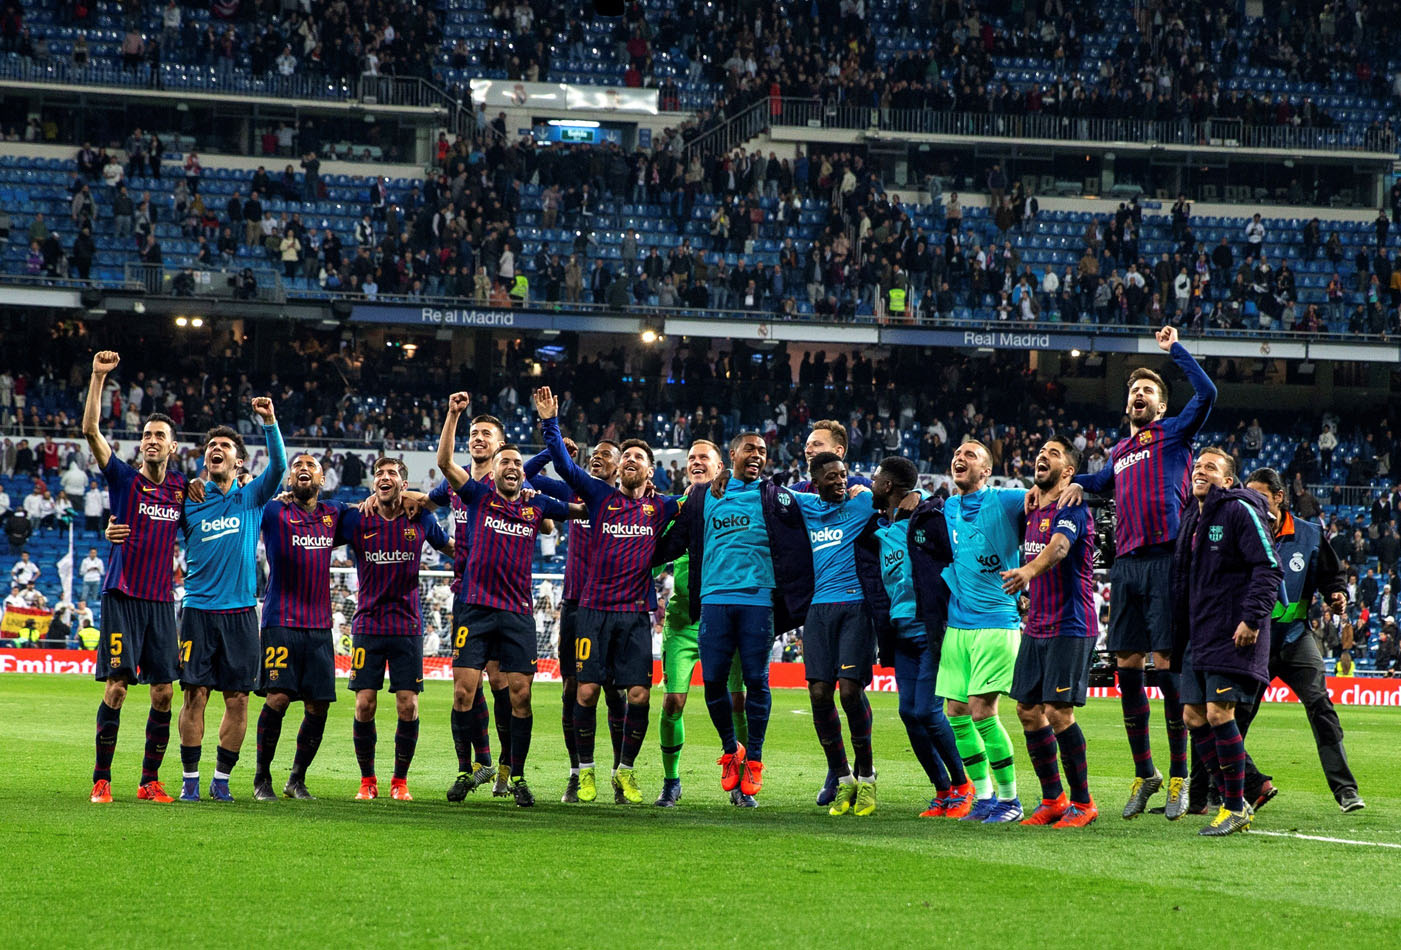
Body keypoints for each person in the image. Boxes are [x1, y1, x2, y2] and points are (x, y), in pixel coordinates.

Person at [1059, 326, 1216, 820]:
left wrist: (1174, 351)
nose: (1138, 396)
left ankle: (1178, 776)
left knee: (1166, 669)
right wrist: (1058, 484)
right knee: (1127, 668)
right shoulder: (1120, 454)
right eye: (1133, 392)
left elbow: (1208, 392)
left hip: (1167, 559)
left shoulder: (1174, 433)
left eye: (1147, 390)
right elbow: (1096, 482)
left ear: (1162, 406)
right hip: (1125, 566)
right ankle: (1145, 772)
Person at [651, 432, 813, 802]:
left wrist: (856, 489)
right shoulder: (703, 496)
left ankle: (753, 759)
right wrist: (633, 561)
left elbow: (817, 501)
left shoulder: (775, 496)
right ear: (733, 455)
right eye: (750, 449)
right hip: (713, 602)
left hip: (758, 602)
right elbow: (670, 540)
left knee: (755, 683)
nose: (757, 455)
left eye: (763, 451)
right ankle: (730, 750)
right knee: (713, 685)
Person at [536, 386, 678, 804]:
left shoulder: (662, 507)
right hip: (592, 611)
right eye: (626, 457)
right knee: (585, 692)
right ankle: (584, 773)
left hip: (635, 614)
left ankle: (626, 772)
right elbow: (563, 466)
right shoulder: (598, 496)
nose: (630, 461)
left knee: (636, 694)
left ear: (650, 471)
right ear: (617, 472)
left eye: (638, 458)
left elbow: (697, 504)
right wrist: (551, 424)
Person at [438, 393, 576, 807]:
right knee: (463, 692)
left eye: (518, 463)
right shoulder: (477, 495)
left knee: (519, 694)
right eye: (507, 462)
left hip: (517, 612)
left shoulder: (536, 508)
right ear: (493, 469)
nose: (513, 467)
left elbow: (585, 507)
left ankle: (514, 775)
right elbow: (445, 464)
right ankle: (467, 770)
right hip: (473, 606)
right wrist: (453, 415)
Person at [81, 350, 188, 805]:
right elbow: (90, 431)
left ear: (172, 446)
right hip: (123, 595)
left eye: (159, 435)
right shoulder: (123, 478)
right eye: (146, 434)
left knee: (164, 692)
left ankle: (149, 780)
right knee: (119, 687)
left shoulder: (184, 488)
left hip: (162, 602)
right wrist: (98, 378)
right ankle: (101, 779)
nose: (151, 440)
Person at [173, 399, 286, 802]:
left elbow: (278, 469)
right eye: (211, 446)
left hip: (240, 612)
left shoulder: (251, 498)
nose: (215, 448)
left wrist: (269, 422)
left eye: (224, 445)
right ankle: (190, 780)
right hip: (198, 611)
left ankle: (221, 781)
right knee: (194, 695)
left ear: (238, 462)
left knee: (237, 698)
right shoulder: (189, 497)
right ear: (205, 459)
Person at [1234, 468, 1364, 813]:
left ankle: (1346, 790)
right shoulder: (1242, 530)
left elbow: (1330, 575)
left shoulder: (1310, 534)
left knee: (1321, 706)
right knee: (1234, 716)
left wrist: (1336, 594)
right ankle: (1229, 787)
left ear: (1279, 497)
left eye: (1261, 496)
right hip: (1253, 642)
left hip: (1295, 638)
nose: (1253, 502)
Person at [855, 456, 975, 818]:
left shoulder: (931, 517)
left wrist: (923, 498)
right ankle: (942, 790)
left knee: (926, 710)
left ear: (888, 486)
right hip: (899, 631)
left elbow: (956, 551)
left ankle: (963, 784)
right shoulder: (878, 530)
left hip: (931, 628)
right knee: (909, 712)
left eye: (876, 479)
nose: (872, 483)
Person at [1171, 448, 1282, 837]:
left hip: (1230, 631)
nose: (1201, 471)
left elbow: (1268, 567)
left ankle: (1234, 806)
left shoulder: (1238, 510)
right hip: (1199, 635)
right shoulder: (1192, 517)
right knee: (1193, 717)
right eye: (1198, 466)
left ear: (1229, 480)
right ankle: (1236, 797)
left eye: (1211, 468)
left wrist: (1252, 618)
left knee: (1219, 714)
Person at [337, 457, 451, 802]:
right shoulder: (358, 517)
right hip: (368, 624)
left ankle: (399, 781)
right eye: (379, 474)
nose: (384, 478)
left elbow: (451, 548)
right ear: (373, 484)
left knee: (408, 706)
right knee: (364, 704)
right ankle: (367, 780)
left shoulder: (420, 516)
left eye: (392, 474)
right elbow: (320, 525)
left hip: (407, 625)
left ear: (404, 484)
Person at [1001, 437, 1099, 827]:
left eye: (1053, 453)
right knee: (1028, 710)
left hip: (1070, 625)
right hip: (1037, 625)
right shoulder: (1031, 509)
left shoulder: (1071, 507)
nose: (1043, 455)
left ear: (1069, 472)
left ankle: (1083, 803)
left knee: (1058, 712)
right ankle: (1052, 799)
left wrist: (1027, 572)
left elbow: (1059, 549)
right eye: (1041, 452)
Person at [778, 452, 882, 816]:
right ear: (815, 482)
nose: (840, 481)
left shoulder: (864, 501)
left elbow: (899, 492)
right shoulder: (804, 504)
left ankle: (867, 776)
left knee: (850, 692)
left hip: (856, 605)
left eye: (843, 475)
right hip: (818, 609)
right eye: (832, 477)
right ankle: (843, 778)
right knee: (819, 693)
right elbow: (768, 493)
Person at [652, 441, 749, 807]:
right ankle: (671, 781)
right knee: (674, 702)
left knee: (737, 702)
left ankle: (740, 781)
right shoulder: (676, 508)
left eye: (702, 457)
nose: (695, 462)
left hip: (728, 617)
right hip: (684, 620)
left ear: (720, 466)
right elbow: (655, 558)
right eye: (690, 458)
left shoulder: (734, 503)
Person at [937, 440, 1027, 823]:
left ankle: (1010, 800)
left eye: (971, 455)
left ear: (987, 470)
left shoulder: (1008, 500)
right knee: (955, 710)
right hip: (958, 624)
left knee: (981, 710)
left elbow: (1046, 500)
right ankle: (985, 795)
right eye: (957, 454)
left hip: (996, 622)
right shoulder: (948, 506)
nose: (960, 458)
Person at [249, 454, 347, 801]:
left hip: (319, 627)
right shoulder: (274, 511)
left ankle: (297, 779)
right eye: (297, 466)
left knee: (318, 706)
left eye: (311, 466)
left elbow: (377, 509)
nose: (303, 469)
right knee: (277, 697)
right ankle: (262, 779)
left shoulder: (335, 514)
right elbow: (245, 497)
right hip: (280, 622)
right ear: (289, 479)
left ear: (323, 479)